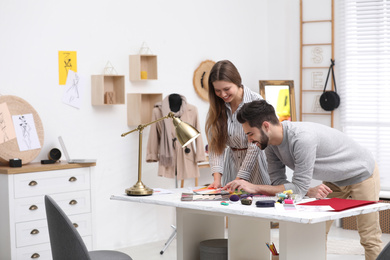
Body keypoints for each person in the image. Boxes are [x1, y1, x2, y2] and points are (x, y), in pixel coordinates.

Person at [224, 99, 381, 260]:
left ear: (266, 126)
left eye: (250, 133)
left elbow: (297, 189)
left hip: (361, 172)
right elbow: (278, 182)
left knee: (369, 236)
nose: (249, 140)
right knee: (316, 232)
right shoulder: (269, 145)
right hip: (333, 180)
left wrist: (256, 187)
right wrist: (305, 190)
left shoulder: (302, 139)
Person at [205, 60, 271, 188]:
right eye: (217, 91)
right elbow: (215, 146)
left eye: (226, 89)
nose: (223, 94)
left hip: (257, 166)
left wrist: (239, 179)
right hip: (232, 166)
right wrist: (217, 179)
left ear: (237, 81)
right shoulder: (217, 108)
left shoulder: (255, 102)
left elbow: (254, 147)